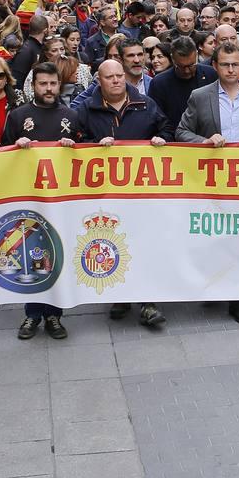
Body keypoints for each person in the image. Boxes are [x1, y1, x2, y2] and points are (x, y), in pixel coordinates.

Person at [77, 59, 171, 330]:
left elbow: (165, 127)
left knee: (144, 245)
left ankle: (148, 303)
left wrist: (160, 139)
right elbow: (74, 141)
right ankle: (119, 296)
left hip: (143, 193)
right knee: (112, 243)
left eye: (120, 75)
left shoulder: (145, 103)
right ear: (99, 80)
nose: (117, 80)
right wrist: (93, 147)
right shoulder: (86, 108)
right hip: (105, 194)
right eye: (110, 77)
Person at [177, 43, 239, 325]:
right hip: (211, 179)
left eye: (235, 65)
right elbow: (182, 131)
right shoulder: (200, 96)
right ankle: (215, 283)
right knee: (216, 235)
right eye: (225, 64)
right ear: (214, 66)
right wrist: (204, 141)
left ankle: (237, 299)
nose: (230, 69)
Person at [2, 63, 84, 341]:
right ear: (33, 86)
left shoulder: (71, 116)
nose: (48, 89)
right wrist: (16, 147)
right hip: (29, 198)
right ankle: (32, 313)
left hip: (62, 201)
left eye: (53, 84)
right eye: (43, 84)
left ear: (59, 85)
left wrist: (74, 148)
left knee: (57, 256)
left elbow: (89, 153)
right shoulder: (18, 116)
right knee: (31, 256)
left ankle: (54, 314)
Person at [148, 36, 216, 138]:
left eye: (191, 65)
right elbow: (157, 120)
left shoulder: (212, 75)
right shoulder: (159, 83)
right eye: (181, 66)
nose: (187, 71)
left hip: (209, 141)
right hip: (174, 143)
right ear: (172, 59)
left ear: (196, 55)